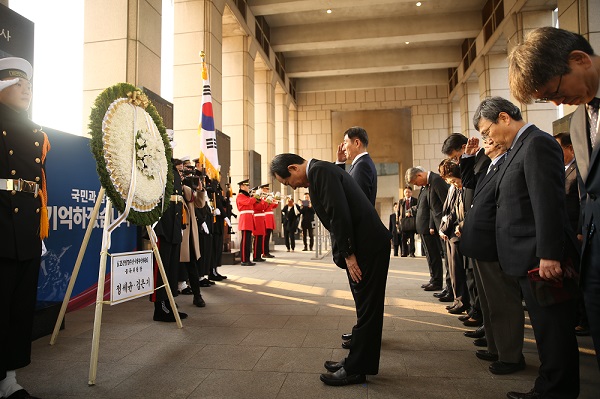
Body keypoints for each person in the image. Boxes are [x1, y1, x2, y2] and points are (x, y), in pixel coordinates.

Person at [474, 96, 579, 399]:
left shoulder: (537, 144)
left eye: (487, 130)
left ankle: (555, 390)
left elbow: (547, 204)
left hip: (539, 259)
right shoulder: (518, 148)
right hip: (526, 257)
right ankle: (550, 386)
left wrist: (549, 255)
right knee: (546, 331)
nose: (487, 138)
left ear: (504, 118)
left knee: (554, 331)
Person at [509, 26, 600, 374]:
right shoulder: (579, 122)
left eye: (555, 91)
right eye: (549, 100)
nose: (558, 103)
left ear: (579, 60)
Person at [270, 153, 391, 386]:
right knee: (364, 307)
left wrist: (349, 254)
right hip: (366, 245)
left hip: (366, 247)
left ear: (293, 168)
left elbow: (339, 214)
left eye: (287, 182)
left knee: (368, 309)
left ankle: (357, 368)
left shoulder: (319, 172)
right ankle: (354, 359)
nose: (292, 188)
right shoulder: (322, 170)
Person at [0, 57, 48, 399]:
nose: (26, 90)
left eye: (29, 85)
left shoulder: (34, 130)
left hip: (27, 225)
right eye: (19, 84)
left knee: (18, 307)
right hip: (1, 220)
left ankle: (9, 380)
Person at [460, 135, 526, 374]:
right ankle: (495, 346)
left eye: (488, 138)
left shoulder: (506, 163)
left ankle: (510, 356)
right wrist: (467, 157)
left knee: (502, 302)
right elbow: (469, 184)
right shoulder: (490, 166)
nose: (484, 142)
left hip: (493, 244)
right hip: (479, 243)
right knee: (488, 303)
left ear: (500, 143)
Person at [405, 167, 449, 293]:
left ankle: (442, 283)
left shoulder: (435, 181)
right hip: (426, 225)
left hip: (438, 226)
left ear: (419, 175)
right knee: (430, 256)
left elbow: (441, 206)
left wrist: (432, 225)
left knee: (439, 256)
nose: (417, 186)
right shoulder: (427, 185)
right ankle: (435, 279)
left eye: (415, 183)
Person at [438, 160, 469, 315]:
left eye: (454, 181)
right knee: (452, 269)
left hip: (458, 233)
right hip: (450, 232)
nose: (453, 184)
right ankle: (458, 299)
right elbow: (447, 211)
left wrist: (458, 226)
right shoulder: (452, 188)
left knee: (459, 270)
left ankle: (462, 301)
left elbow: (456, 212)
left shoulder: (463, 188)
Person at [336, 126, 377, 205]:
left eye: (345, 143)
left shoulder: (362, 166)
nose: (343, 148)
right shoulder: (362, 163)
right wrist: (340, 163)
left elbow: (357, 203)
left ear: (357, 143)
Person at [236, 179, 257, 266]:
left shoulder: (246, 196)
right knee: (245, 240)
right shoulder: (240, 196)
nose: (248, 187)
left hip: (249, 218)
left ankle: (247, 258)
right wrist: (255, 197)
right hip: (245, 218)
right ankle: (244, 260)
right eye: (246, 185)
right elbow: (248, 202)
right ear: (242, 187)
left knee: (248, 240)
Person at [399, 187, 417, 257]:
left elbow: (417, 210)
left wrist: (411, 213)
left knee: (412, 237)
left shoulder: (415, 200)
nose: (407, 193)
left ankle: (412, 252)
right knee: (403, 238)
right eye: (406, 192)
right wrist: (398, 222)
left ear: (411, 193)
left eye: (409, 192)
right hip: (403, 221)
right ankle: (404, 252)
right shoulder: (401, 201)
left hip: (412, 221)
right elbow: (398, 212)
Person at [262, 184, 279, 258]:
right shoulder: (262, 197)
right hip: (266, 217)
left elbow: (274, 206)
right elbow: (264, 206)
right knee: (266, 236)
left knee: (268, 236)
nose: (268, 191)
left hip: (270, 217)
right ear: (263, 189)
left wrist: (276, 199)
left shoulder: (267, 197)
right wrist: (269, 199)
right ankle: (265, 252)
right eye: (266, 189)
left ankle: (267, 251)